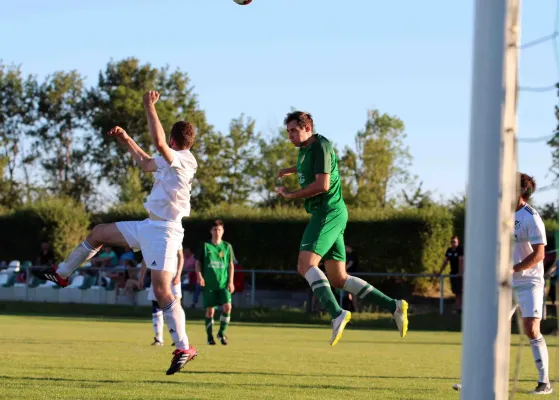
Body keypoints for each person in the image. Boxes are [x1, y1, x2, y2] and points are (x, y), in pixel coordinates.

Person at [34, 90, 198, 375]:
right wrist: (126, 140)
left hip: (165, 232)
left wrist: (149, 106)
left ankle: (184, 346)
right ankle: (62, 273)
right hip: (149, 226)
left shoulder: (185, 160)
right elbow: (146, 162)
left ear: (174, 141)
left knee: (161, 289)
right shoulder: (169, 161)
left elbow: (158, 144)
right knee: (98, 232)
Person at [275, 111, 408, 346]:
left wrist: (291, 194)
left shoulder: (321, 145)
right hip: (330, 214)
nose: (290, 136)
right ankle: (394, 306)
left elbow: (322, 184)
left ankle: (337, 313)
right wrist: (290, 170)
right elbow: (309, 166)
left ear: (308, 127)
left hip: (328, 212)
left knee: (305, 264)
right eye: (288, 132)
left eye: (294, 130)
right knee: (338, 278)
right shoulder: (306, 149)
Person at [453, 173, 552, 395]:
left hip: (530, 282)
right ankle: (477, 380)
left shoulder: (531, 217)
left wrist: (514, 268)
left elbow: (539, 255)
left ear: (521, 192)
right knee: (491, 329)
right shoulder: (500, 214)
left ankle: (544, 382)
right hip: (506, 282)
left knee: (531, 328)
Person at [195, 220, 235, 345]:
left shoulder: (227, 247)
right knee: (210, 311)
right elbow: (198, 263)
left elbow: (230, 265)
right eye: (215, 230)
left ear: (223, 232)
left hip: (223, 284)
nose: (217, 232)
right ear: (211, 231)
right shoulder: (205, 246)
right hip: (209, 285)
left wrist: (231, 281)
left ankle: (221, 333)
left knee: (228, 307)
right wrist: (199, 276)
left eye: (219, 230)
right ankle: (209, 337)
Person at [139, 249, 184, 346]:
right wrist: (141, 277)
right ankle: (158, 339)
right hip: (158, 277)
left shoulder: (174, 234)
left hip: (172, 278)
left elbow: (181, 256)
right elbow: (145, 259)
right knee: (156, 306)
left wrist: (178, 274)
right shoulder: (152, 238)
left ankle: (179, 337)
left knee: (176, 306)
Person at [436, 236, 464, 313]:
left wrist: (460, 272)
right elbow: (445, 262)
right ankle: (459, 309)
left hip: (460, 274)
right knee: (456, 292)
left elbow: (461, 261)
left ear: (458, 242)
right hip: (453, 274)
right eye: (452, 242)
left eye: (454, 242)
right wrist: (439, 272)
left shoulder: (460, 249)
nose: (453, 243)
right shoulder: (449, 250)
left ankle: (462, 308)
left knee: (461, 291)